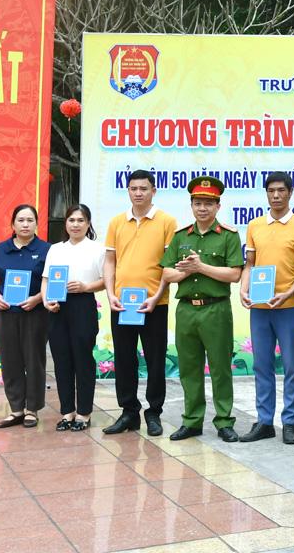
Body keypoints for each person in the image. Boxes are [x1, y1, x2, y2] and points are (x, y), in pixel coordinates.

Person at [157, 177, 244, 442]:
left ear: (218, 206)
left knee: (220, 367)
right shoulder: (181, 236)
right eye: (197, 203)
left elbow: (234, 274)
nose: (202, 208)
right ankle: (192, 420)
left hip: (215, 310)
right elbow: (167, 273)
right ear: (191, 206)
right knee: (189, 367)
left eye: (208, 203)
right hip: (186, 310)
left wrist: (200, 267)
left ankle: (224, 421)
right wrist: (185, 272)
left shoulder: (228, 235)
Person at [102, 169, 178, 436]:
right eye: (133, 188)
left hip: (154, 303)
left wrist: (157, 296)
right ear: (128, 191)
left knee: (156, 359)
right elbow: (110, 261)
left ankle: (154, 413)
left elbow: (169, 266)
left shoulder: (167, 222)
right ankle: (129, 412)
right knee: (124, 358)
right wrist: (110, 293)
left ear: (153, 191)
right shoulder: (116, 223)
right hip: (122, 303)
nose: (138, 193)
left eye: (144, 188)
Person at [238, 172, 294, 445]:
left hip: (288, 306)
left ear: (290, 193)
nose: (276, 195)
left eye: (281, 190)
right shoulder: (255, 225)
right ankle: (265, 421)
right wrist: (243, 289)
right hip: (259, 306)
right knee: (262, 365)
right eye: (271, 191)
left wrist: (289, 292)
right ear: (266, 194)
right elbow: (250, 265)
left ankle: (289, 422)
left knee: (292, 366)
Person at [0, 204, 50, 429]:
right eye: (20, 220)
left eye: (30, 220)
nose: (25, 224)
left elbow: (52, 281)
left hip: (35, 314)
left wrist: (37, 299)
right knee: (10, 362)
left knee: (34, 361)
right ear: (12, 224)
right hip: (5, 314)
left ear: (36, 224)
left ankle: (32, 409)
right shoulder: (0, 250)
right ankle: (16, 410)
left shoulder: (46, 250)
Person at [41, 205, 106, 431]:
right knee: (61, 361)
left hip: (83, 305)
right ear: (65, 223)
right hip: (58, 308)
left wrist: (86, 286)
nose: (75, 224)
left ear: (88, 224)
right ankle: (67, 412)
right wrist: (46, 301)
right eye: (71, 220)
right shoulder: (55, 249)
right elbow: (46, 280)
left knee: (83, 360)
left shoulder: (97, 249)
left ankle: (84, 413)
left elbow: (107, 280)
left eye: (81, 220)